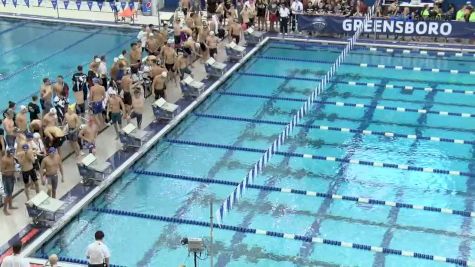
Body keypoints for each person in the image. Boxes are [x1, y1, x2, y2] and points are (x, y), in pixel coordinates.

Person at [1, 148, 17, 215]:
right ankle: (4, 210)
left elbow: (12, 166)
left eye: (13, 152)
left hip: (11, 176)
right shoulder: (4, 159)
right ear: (7, 152)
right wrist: (12, 171)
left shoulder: (12, 156)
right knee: (7, 194)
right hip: (6, 178)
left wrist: (14, 174)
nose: (12, 154)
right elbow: (2, 171)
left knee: (11, 192)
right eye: (11, 152)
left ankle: (10, 206)